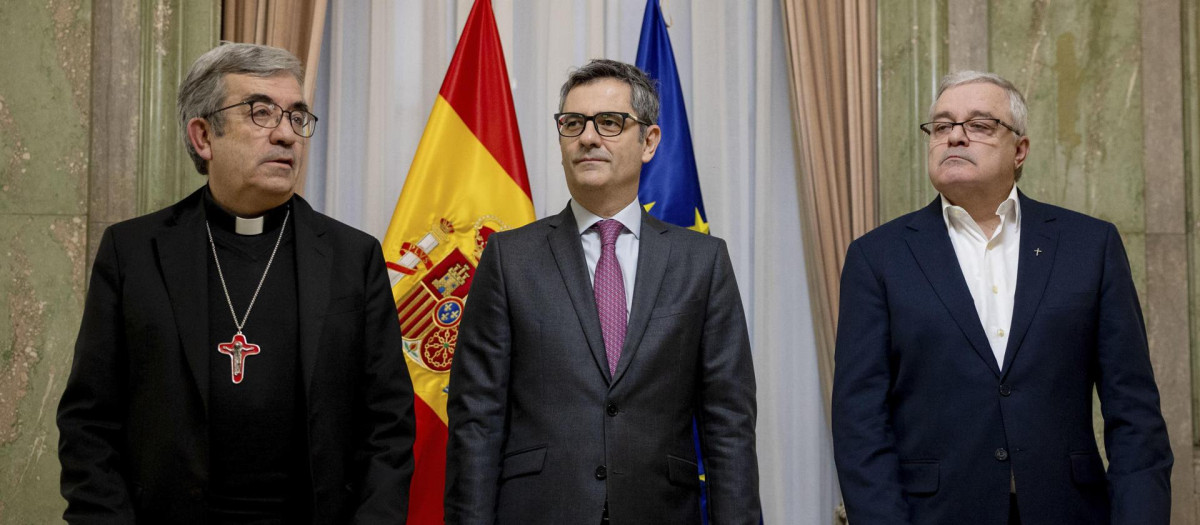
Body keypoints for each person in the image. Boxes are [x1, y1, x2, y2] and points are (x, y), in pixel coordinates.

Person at [56, 43, 416, 524]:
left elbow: (388, 426)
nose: (286, 135)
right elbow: (89, 423)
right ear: (203, 136)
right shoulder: (133, 253)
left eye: (297, 117)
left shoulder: (353, 257)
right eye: (261, 112)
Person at [832, 70, 1173, 524]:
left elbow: (1135, 415)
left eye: (979, 125)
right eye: (941, 125)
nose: (955, 137)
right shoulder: (878, 257)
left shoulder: (1090, 246)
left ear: (1020, 150)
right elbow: (859, 423)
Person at [444, 59, 760, 524]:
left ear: (648, 141)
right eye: (573, 123)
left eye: (609, 122)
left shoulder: (702, 261)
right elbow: (476, 419)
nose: (588, 137)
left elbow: (728, 425)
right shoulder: (510, 259)